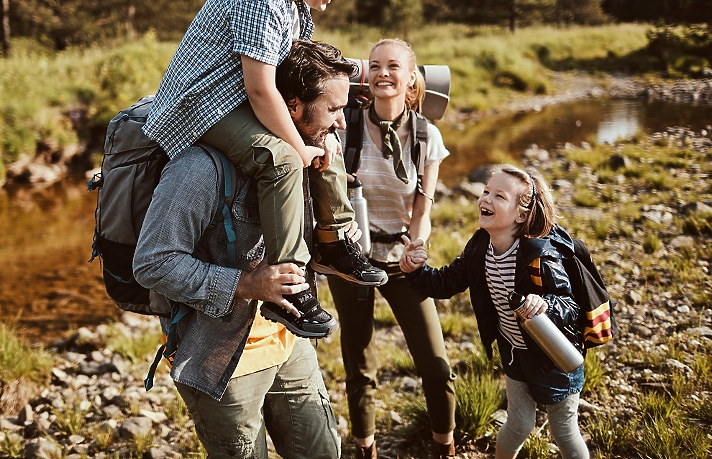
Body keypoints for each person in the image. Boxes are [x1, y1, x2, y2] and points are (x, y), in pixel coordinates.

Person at [143, 0, 387, 339]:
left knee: (326, 135)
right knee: (281, 159)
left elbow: (299, 68)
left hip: (233, 102)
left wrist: (351, 89)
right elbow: (260, 88)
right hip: (198, 108)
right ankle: (292, 281)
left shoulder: (295, 7)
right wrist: (298, 148)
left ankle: (332, 241)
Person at [133, 40, 362, 459]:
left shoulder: (306, 158)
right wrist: (248, 283)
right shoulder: (199, 170)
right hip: (220, 362)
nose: (342, 124)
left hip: (290, 344)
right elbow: (152, 262)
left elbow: (308, 248)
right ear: (292, 106)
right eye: (333, 110)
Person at [401, 165, 590, 459]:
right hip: (515, 353)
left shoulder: (541, 256)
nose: (485, 199)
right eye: (486, 191)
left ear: (522, 215)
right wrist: (416, 271)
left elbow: (570, 306)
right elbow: (446, 282)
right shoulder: (479, 247)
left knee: (563, 430)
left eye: (499, 196)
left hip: (555, 356)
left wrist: (546, 304)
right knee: (518, 424)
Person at [330, 39, 456, 459]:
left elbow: (424, 207)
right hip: (351, 260)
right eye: (377, 66)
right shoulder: (343, 126)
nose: (384, 73)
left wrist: (417, 246)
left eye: (394, 67)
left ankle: (444, 445)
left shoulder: (426, 136)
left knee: (436, 365)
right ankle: (365, 447)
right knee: (359, 363)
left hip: (401, 262)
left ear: (411, 78)